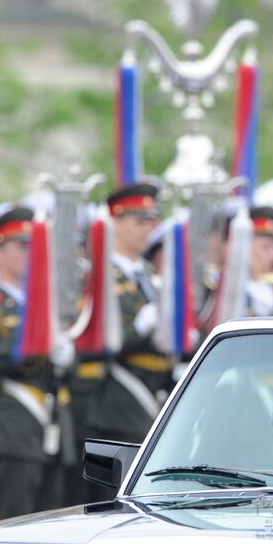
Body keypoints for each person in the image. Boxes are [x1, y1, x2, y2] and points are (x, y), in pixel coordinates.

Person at [0, 208, 75, 521]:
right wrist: (17, 352)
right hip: (15, 422)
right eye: (21, 246)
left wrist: (68, 358)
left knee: (51, 519)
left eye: (32, 245)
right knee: (14, 518)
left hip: (52, 422)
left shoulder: (47, 305)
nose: (30, 253)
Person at [89, 183, 167, 452]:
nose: (148, 229)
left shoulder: (148, 274)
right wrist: (141, 326)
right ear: (116, 222)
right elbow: (99, 343)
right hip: (118, 401)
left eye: (151, 222)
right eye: (139, 222)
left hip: (154, 391)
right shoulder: (99, 274)